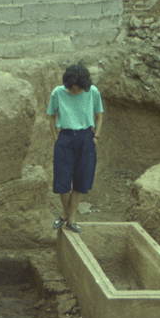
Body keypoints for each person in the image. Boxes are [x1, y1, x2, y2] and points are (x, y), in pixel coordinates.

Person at [47, 64, 104, 233]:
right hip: (64, 137)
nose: (74, 92)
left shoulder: (92, 92)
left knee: (82, 179)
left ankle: (71, 218)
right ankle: (66, 212)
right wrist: (56, 138)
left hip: (86, 137)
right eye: (71, 88)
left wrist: (96, 137)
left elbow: (99, 116)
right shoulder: (58, 93)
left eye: (78, 89)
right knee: (62, 179)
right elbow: (51, 116)